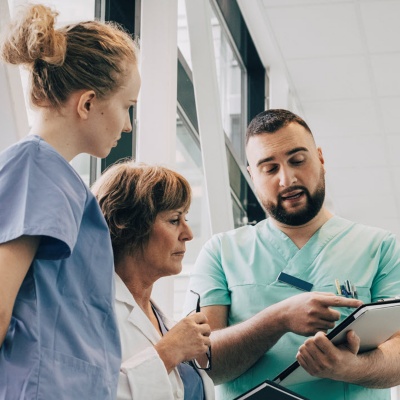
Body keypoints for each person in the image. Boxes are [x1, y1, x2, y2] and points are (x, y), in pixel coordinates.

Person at [184, 109, 400, 400]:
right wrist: (279, 319)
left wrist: (350, 367)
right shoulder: (221, 252)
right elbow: (202, 361)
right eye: (270, 169)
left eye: (298, 160)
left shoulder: (380, 247)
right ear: (252, 175)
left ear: (320, 159)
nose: (287, 179)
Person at [0, 4, 140, 400]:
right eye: (126, 106)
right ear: (88, 103)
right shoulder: (34, 167)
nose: (128, 124)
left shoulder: (59, 179)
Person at [92, 160, 215, 400]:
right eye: (174, 220)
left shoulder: (161, 317)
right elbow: (87, 392)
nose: (188, 234)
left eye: (186, 219)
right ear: (128, 225)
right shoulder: (93, 312)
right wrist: (168, 352)